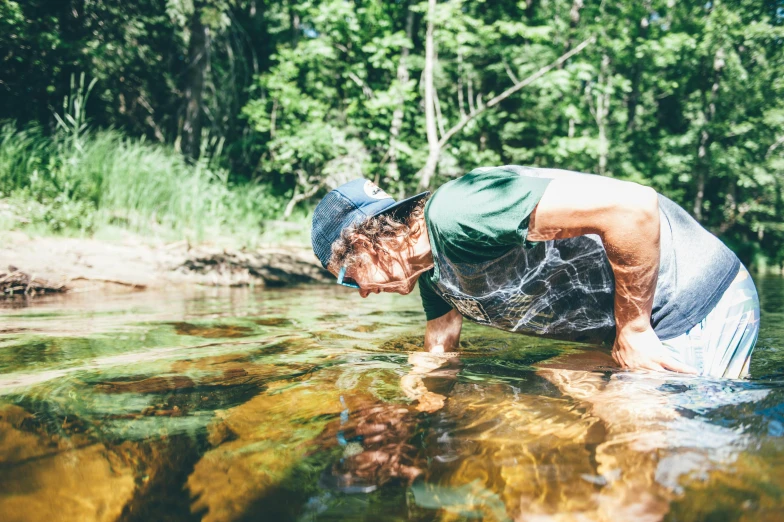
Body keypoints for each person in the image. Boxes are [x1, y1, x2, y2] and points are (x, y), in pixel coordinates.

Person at [310, 165, 760, 378]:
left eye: (349, 276)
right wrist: (412, 405)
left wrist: (635, 328)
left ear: (366, 240)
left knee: (631, 453)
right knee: (541, 396)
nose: (361, 293)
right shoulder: (432, 273)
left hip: (691, 306)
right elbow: (439, 351)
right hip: (642, 326)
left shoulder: (456, 212)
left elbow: (633, 207)